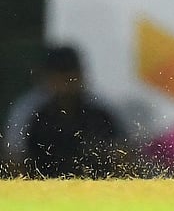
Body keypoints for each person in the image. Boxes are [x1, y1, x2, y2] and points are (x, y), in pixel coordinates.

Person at [19, 44, 129, 178]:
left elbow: (123, 156)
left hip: (95, 192)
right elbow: (15, 159)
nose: (66, 84)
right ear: (47, 78)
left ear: (81, 76)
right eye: (60, 77)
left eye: (70, 76)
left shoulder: (101, 112)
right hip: (44, 192)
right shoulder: (31, 113)